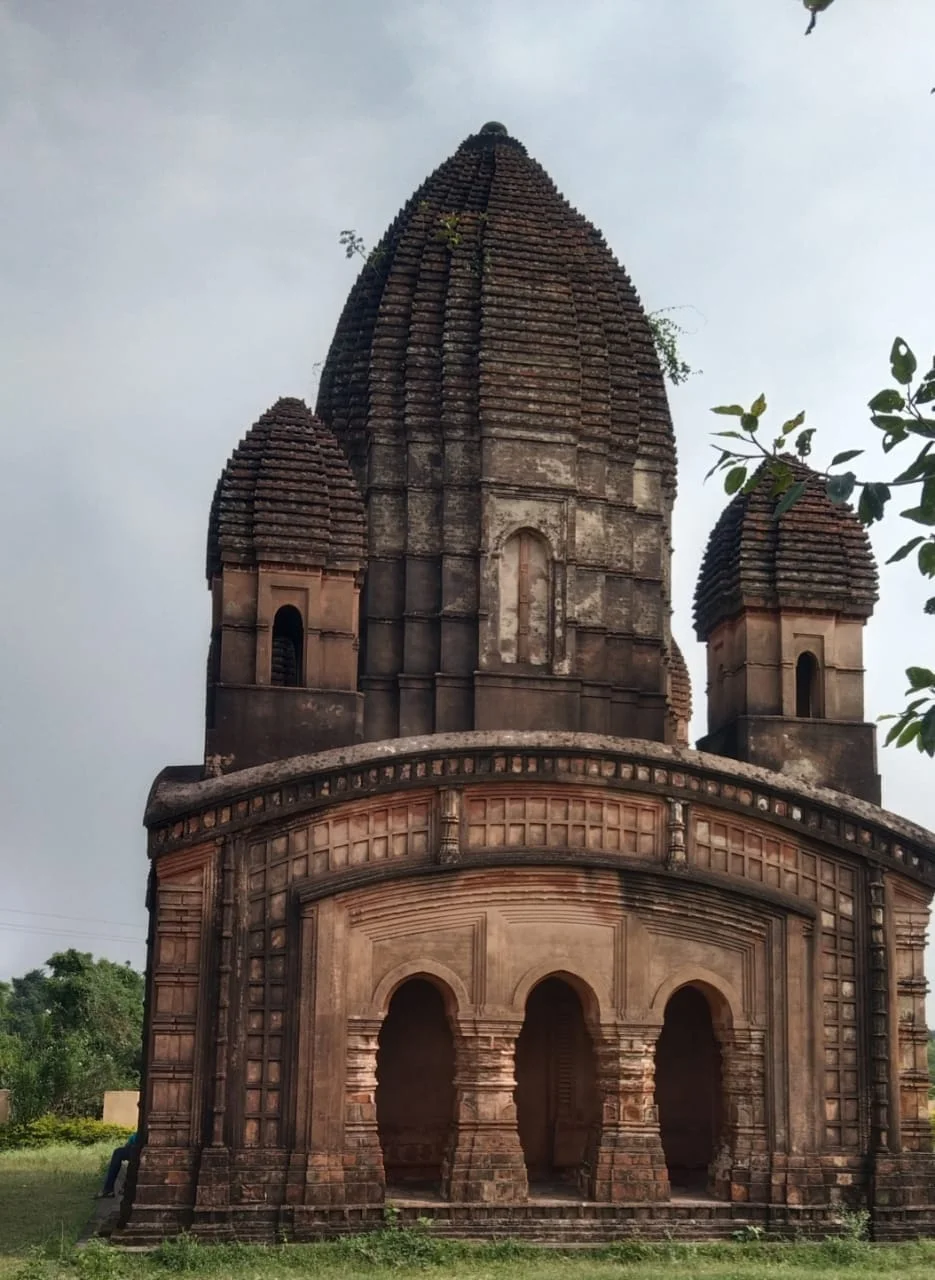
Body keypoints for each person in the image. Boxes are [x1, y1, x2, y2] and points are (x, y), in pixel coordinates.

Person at [98, 1131, 138, 1198]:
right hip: (135, 1147)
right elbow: (131, 1141)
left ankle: (112, 1189)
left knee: (121, 1153)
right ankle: (109, 1189)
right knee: (118, 1152)